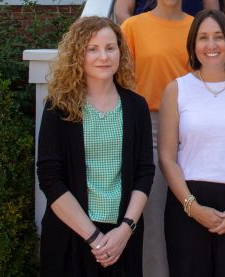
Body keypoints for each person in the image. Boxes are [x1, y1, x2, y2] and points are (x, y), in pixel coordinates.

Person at [37, 16, 154, 276]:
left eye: (110, 48)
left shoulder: (136, 107)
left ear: (120, 53)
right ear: (78, 54)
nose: (103, 56)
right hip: (71, 236)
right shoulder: (59, 108)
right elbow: (50, 178)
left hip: (122, 238)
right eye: (93, 49)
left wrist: (125, 230)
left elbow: (144, 173)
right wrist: (94, 238)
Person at [159, 10, 225, 277]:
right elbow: (167, 158)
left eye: (218, 37)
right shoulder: (176, 89)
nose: (211, 45)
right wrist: (192, 207)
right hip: (188, 202)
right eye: (203, 38)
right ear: (193, 45)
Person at [120, 0, 195, 277]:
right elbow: (120, 82)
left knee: (190, 212)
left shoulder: (197, 27)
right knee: (151, 214)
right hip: (148, 126)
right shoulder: (133, 27)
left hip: (192, 127)